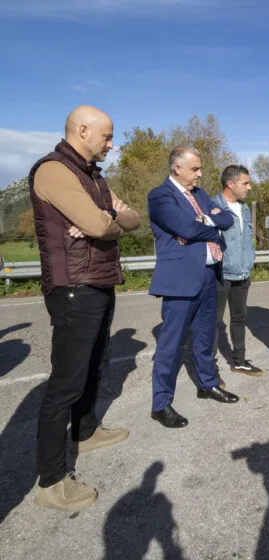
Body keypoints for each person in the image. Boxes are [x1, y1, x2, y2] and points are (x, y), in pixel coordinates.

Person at [28, 105, 141, 511]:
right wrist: (107, 218)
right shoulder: (54, 170)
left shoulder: (93, 176)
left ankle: (86, 432)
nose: (112, 144)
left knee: (96, 363)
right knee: (66, 383)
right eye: (107, 137)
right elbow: (99, 227)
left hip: (98, 281)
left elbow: (133, 220)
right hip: (73, 287)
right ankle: (51, 480)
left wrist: (106, 215)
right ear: (82, 130)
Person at [148, 145, 239, 429]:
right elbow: (185, 228)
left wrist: (205, 219)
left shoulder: (199, 194)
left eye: (200, 168)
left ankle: (207, 384)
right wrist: (208, 226)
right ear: (177, 167)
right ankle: (161, 403)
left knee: (204, 335)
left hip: (209, 275)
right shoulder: (161, 195)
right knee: (171, 344)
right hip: (180, 279)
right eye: (195, 169)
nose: (200, 174)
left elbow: (228, 218)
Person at [212, 165, 263, 377]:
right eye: (245, 183)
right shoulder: (212, 205)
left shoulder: (243, 209)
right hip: (220, 274)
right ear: (230, 184)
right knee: (213, 323)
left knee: (239, 318)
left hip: (243, 273)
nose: (249, 187)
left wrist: (249, 261)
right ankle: (209, 368)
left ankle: (239, 361)